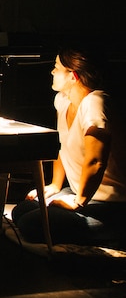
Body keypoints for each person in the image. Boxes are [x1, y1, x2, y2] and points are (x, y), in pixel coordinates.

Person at [11, 43, 126, 246]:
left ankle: (113, 232)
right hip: (81, 193)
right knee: (21, 211)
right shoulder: (62, 101)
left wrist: (78, 201)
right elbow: (62, 145)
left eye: (57, 67)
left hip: (112, 203)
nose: (52, 71)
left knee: (32, 224)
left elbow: (96, 160)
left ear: (73, 76)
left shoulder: (95, 103)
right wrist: (55, 185)